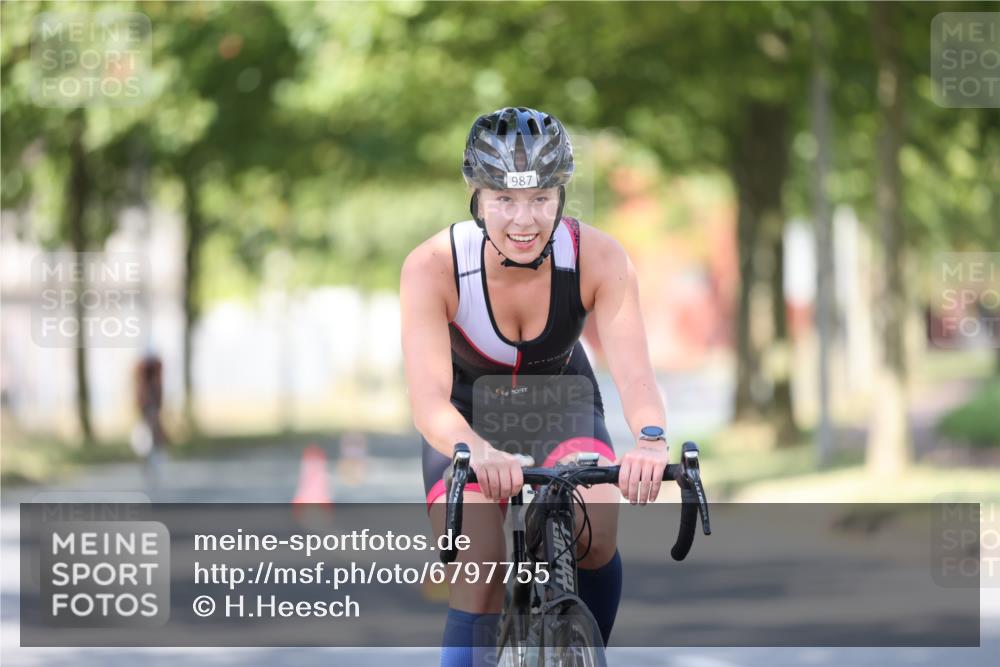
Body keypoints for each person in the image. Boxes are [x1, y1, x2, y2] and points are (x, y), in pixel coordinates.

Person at [400, 107, 670, 666]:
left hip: (560, 403)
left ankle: (580, 651)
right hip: (465, 417)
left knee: (597, 526)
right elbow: (429, 400)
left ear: (561, 198)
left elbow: (636, 375)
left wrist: (649, 439)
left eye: (541, 199)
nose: (524, 220)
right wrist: (476, 450)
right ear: (476, 198)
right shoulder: (432, 266)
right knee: (481, 565)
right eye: (504, 199)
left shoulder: (599, 257)